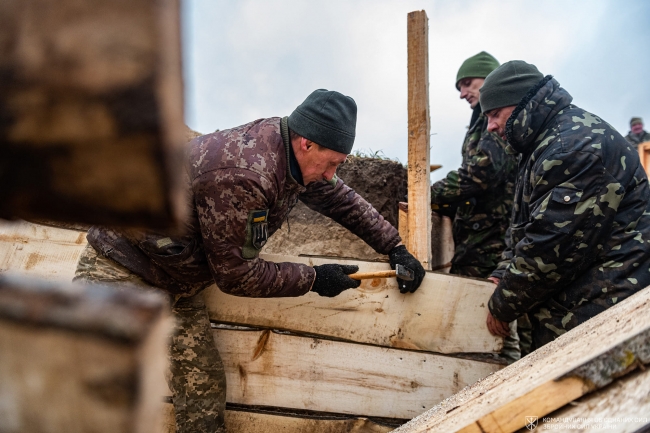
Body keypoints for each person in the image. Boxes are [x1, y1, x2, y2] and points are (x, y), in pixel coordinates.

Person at [73, 89, 425, 433]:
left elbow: (341, 200)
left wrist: (395, 247)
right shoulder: (245, 174)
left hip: (176, 280)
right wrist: (314, 279)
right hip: (120, 269)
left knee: (201, 392)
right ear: (307, 144)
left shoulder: (297, 158)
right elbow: (236, 275)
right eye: (331, 163)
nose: (332, 173)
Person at [480, 61, 650, 351]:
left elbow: (551, 248)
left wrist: (503, 304)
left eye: (495, 114)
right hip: (580, 301)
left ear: (523, 103)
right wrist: (502, 273)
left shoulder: (571, 148)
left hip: (606, 307)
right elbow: (526, 228)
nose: (490, 126)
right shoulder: (541, 146)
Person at [430, 51, 517, 279]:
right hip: (478, 240)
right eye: (460, 87)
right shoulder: (481, 120)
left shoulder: (499, 119)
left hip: (492, 245)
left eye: (468, 84)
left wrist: (428, 194)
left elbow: (482, 172)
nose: (462, 94)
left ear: (489, 78)